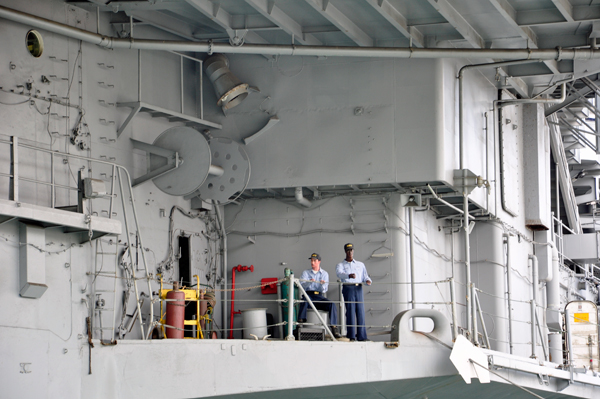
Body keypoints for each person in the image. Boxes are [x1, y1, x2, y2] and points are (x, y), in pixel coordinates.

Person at [298, 253, 341, 338]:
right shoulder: (305, 273)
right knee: (304, 300)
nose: (312, 262)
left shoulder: (324, 274)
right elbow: (301, 286)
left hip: (319, 296)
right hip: (308, 295)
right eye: (311, 260)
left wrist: (321, 284)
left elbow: (324, 289)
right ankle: (300, 324)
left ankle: (334, 328)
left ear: (319, 262)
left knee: (331, 304)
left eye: (314, 260)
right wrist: (309, 282)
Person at [336, 243, 371, 341]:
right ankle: (351, 336)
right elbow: (339, 274)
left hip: (358, 288)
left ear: (353, 251)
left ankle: (362, 336)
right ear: (345, 252)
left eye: (351, 250)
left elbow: (365, 276)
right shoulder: (341, 265)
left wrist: (368, 281)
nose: (349, 252)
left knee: (360, 312)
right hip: (348, 287)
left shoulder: (360, 264)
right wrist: (348, 275)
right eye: (348, 250)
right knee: (350, 311)